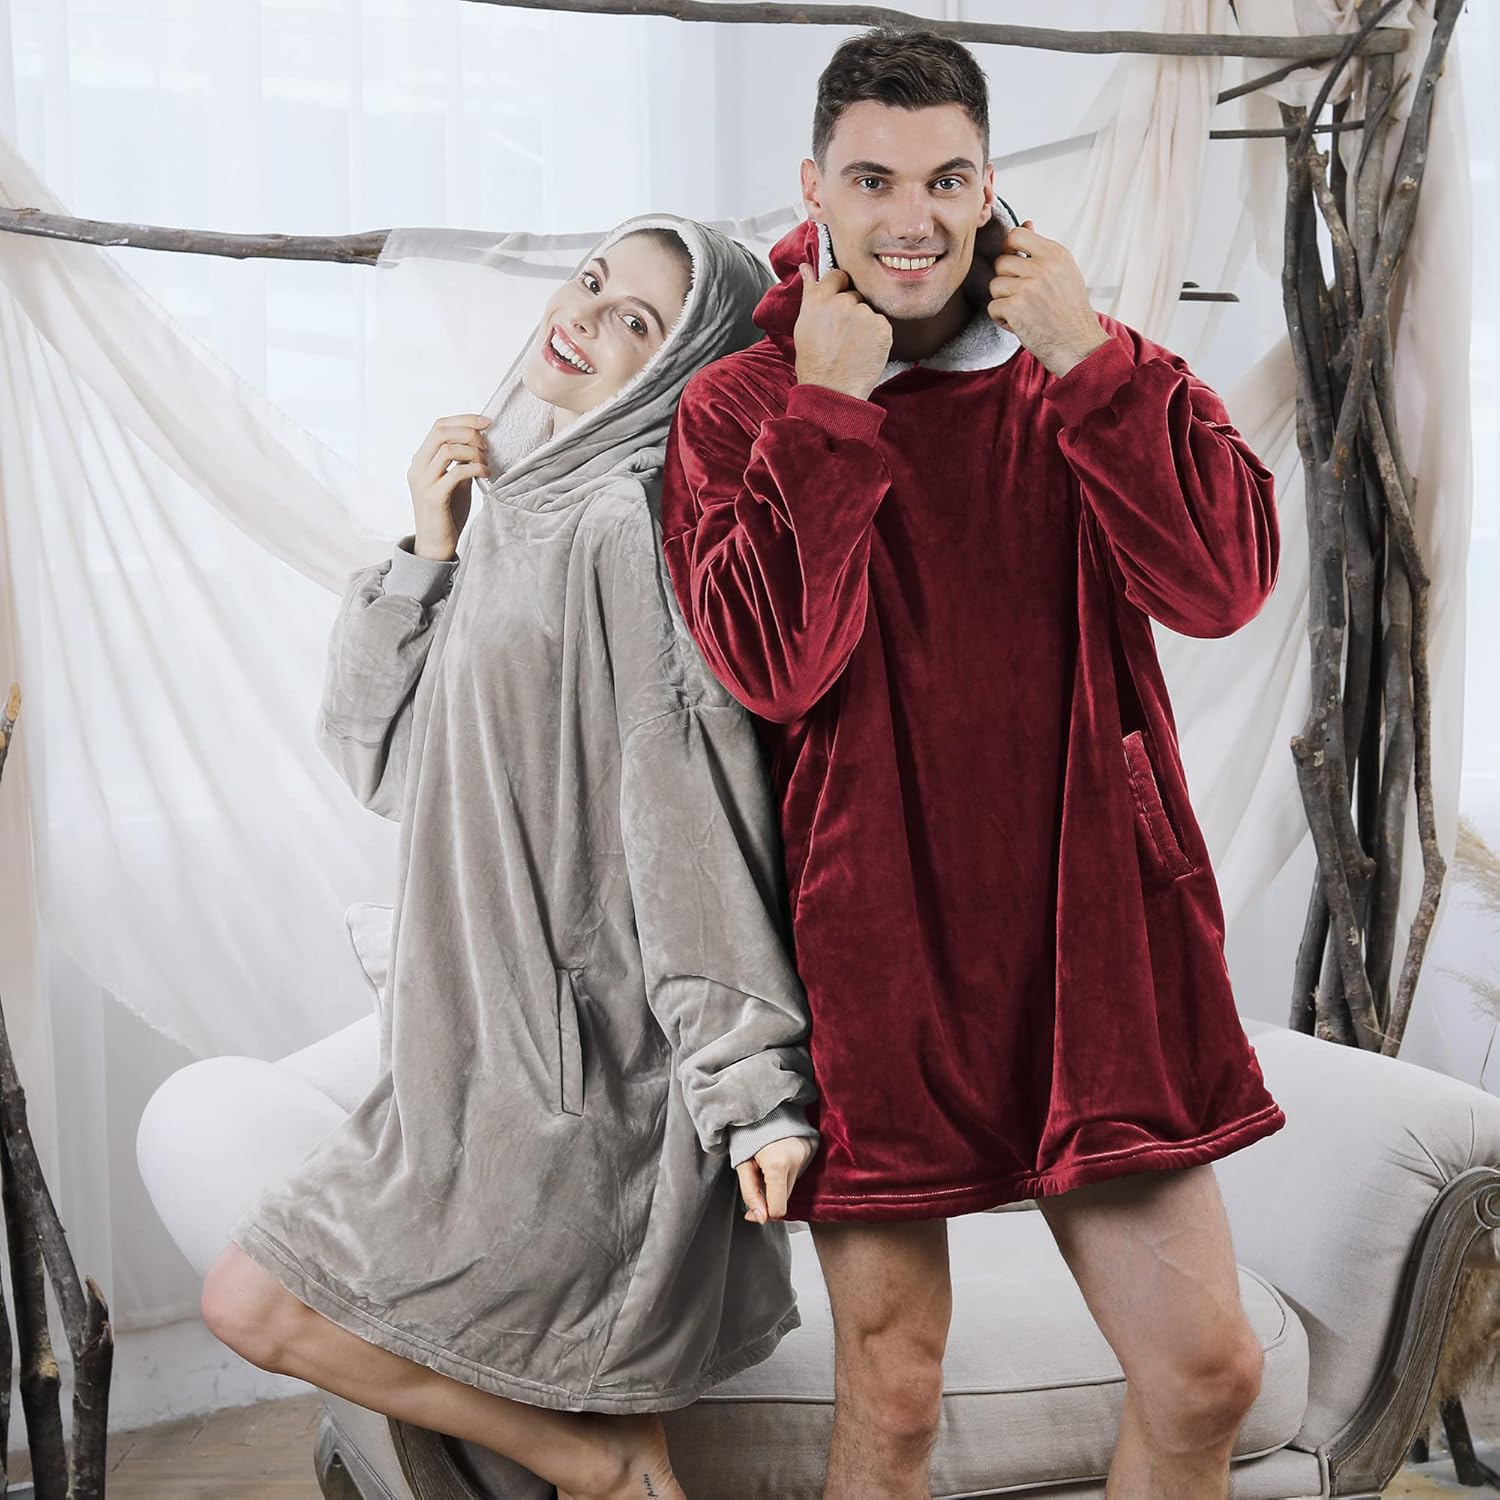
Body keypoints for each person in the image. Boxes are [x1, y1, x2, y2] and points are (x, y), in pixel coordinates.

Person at [658, 26, 1286, 1500]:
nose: (913, 218)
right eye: (872, 180)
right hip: (879, 951)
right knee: (894, 1395)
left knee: (1206, 1371)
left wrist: (1091, 362)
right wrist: (829, 408)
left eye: (947, 179)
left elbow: (1222, 588)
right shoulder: (740, 405)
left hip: (1097, 938)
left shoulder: (1087, 364)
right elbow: (772, 665)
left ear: (989, 182)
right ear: (812, 187)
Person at [198, 213, 820, 1500]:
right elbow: (390, 767)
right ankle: (612, 1466)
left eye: (636, 321)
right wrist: (426, 554)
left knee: (250, 1301)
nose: (585, 317)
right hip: (464, 1075)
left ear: (680, 372)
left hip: (568, 1099)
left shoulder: (625, 531)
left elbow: (691, 822)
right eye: (592, 283)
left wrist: (751, 1090)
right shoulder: (521, 509)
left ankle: (597, 1465)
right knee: (270, 1306)